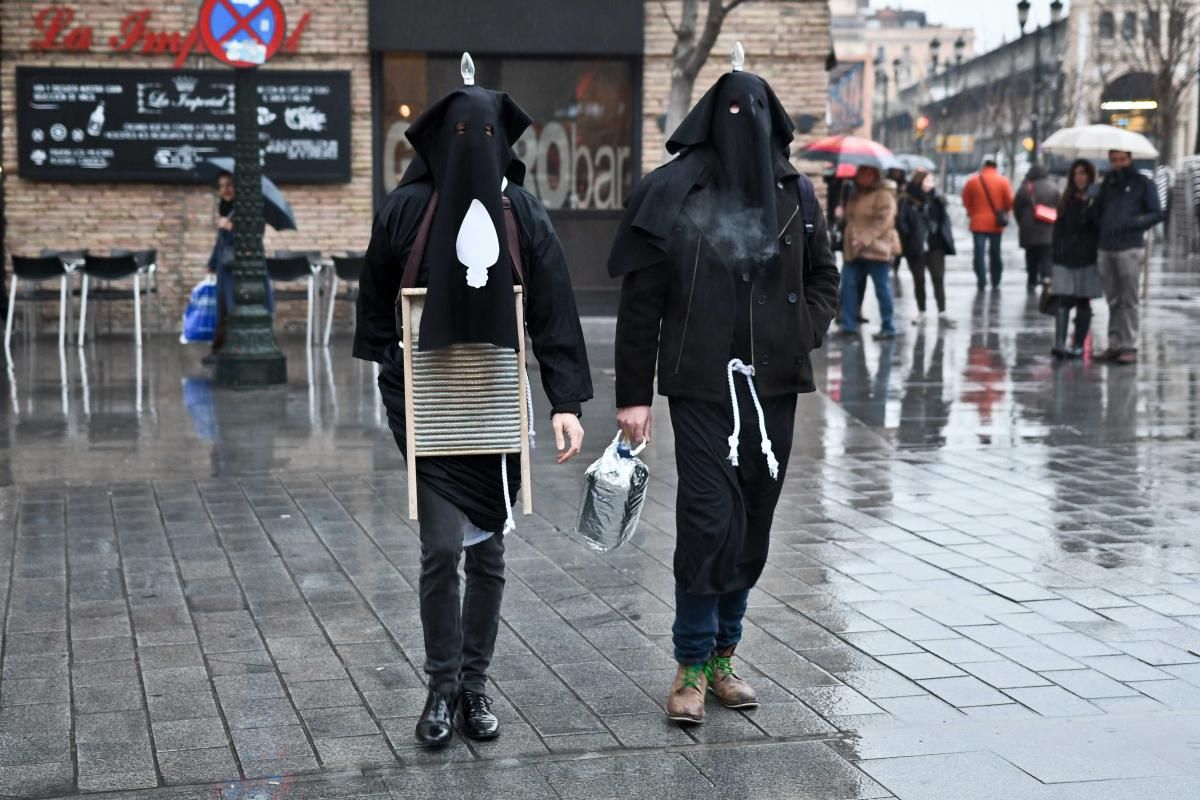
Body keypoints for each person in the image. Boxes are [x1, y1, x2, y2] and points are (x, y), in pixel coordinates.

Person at [354, 72, 592, 746]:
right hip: (428, 408)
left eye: (484, 135)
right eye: (461, 135)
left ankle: (475, 685)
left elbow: (554, 310)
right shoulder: (405, 212)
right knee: (438, 551)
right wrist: (398, 373)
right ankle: (439, 688)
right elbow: (374, 301)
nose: (472, 147)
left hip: (494, 405)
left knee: (487, 554)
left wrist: (564, 402)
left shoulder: (520, 214)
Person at [608, 63, 839, 725]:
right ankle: (688, 664)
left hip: (777, 387)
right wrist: (633, 396)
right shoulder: (673, 192)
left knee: (752, 525)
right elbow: (640, 303)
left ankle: (723, 658)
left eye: (756, 113)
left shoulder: (797, 193)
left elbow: (825, 277)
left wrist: (803, 329)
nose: (745, 127)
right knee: (708, 520)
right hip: (701, 384)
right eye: (733, 113)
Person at [1094, 149, 1163, 365]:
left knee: (1129, 299)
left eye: (1122, 159)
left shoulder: (1143, 183)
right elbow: (1099, 210)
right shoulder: (1108, 184)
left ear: (1130, 159)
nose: (1118, 164)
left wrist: (1134, 223)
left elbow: (1157, 212)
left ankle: (1129, 344)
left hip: (1130, 247)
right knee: (1113, 298)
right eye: (1114, 160)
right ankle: (1115, 343)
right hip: (1107, 247)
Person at [1049, 159, 1103, 359]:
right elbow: (1058, 228)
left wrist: (1091, 206)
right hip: (1065, 257)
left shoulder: (1096, 200)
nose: (1080, 177)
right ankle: (1060, 342)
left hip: (1087, 257)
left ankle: (1079, 344)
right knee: (1063, 299)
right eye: (1076, 173)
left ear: (1090, 176)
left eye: (1084, 173)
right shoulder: (1066, 199)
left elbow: (1098, 226)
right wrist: (1055, 254)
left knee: (1082, 301)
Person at [840, 165, 901, 339]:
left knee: (882, 288)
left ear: (875, 176)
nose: (864, 177)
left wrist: (864, 239)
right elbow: (851, 219)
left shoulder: (884, 194)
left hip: (876, 250)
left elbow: (884, 222)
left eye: (868, 174)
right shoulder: (856, 194)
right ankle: (849, 325)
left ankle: (888, 327)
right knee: (848, 286)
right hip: (854, 250)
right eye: (861, 174)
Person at [897, 170, 954, 326]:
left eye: (932, 180)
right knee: (919, 280)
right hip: (916, 247)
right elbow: (901, 222)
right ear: (919, 181)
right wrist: (909, 237)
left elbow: (944, 220)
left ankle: (942, 311)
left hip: (935, 246)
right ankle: (921, 311)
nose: (930, 184)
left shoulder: (937, 199)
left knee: (938, 278)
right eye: (927, 180)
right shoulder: (907, 200)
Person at [962, 158, 1013, 289]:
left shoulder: (973, 181)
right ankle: (996, 279)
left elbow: (966, 199)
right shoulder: (1003, 181)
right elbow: (1009, 201)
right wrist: (1003, 212)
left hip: (978, 222)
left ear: (984, 166)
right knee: (995, 252)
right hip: (996, 223)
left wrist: (972, 211)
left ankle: (981, 279)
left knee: (979, 252)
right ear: (996, 167)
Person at [203, 172, 236, 365]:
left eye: (230, 185)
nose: (225, 190)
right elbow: (220, 241)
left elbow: (256, 233)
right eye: (221, 186)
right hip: (224, 266)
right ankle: (218, 350)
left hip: (239, 267)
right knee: (222, 309)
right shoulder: (225, 209)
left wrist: (232, 226)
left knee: (232, 309)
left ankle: (229, 350)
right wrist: (212, 262)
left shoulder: (244, 209)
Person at [1013, 164, 1059, 290]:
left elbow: (1016, 207)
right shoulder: (1052, 187)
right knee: (1046, 254)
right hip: (1048, 227)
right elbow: (1059, 205)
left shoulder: (1025, 188)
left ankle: (1032, 279)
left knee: (1031, 255)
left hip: (1028, 229)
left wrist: (1021, 222)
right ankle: (1046, 278)